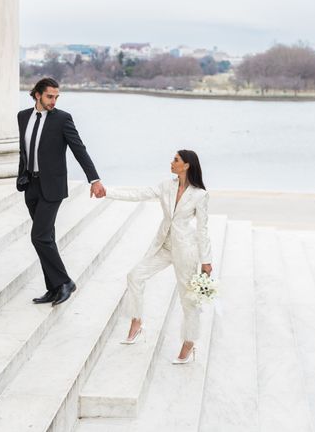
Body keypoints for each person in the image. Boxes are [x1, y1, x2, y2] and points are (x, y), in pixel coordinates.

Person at [94, 150, 212, 364]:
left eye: (176, 160)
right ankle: (137, 322)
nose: (171, 162)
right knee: (135, 276)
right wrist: (107, 191)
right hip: (164, 246)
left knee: (188, 300)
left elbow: (202, 230)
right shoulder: (166, 186)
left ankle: (189, 342)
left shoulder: (200, 195)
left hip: (185, 250)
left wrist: (206, 261)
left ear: (186, 165)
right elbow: (138, 193)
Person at [17, 77, 105, 306]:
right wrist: (22, 175)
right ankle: (54, 287)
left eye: (56, 97)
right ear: (37, 94)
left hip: (52, 187)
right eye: (49, 96)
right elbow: (24, 151)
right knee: (47, 238)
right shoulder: (23, 117)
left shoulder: (62, 119)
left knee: (39, 236)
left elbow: (79, 149)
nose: (53, 101)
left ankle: (65, 282)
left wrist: (94, 179)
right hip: (31, 186)